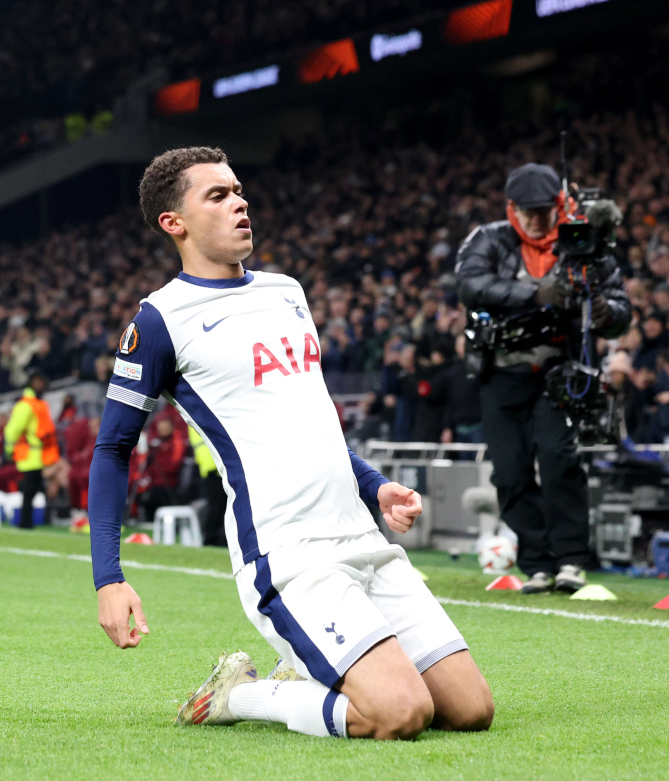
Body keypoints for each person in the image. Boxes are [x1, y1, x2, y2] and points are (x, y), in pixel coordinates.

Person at [89, 147, 492, 740]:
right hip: (288, 553)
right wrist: (109, 577)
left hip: (360, 533)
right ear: (174, 223)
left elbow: (309, 418)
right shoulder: (159, 321)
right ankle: (243, 693)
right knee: (399, 714)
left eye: (238, 190)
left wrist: (373, 487)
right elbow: (112, 450)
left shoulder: (286, 291)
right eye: (217, 195)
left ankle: (309, 668)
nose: (240, 202)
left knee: (471, 709)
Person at [456, 163, 630, 594]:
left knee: (558, 459)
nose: (537, 218)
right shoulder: (488, 238)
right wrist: (535, 294)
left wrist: (609, 314)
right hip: (501, 370)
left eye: (544, 209)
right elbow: (469, 284)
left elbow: (620, 308)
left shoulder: (583, 242)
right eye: (528, 210)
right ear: (511, 207)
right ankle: (536, 561)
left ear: (558, 204)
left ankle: (571, 560)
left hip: (559, 371)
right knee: (510, 472)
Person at [4, 370, 59, 529]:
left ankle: (30, 520)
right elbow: (12, 429)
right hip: (30, 453)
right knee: (30, 490)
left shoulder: (37, 403)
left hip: (39, 453)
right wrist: (9, 449)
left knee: (34, 489)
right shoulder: (26, 405)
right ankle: (25, 521)